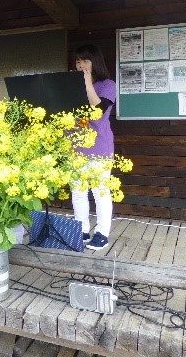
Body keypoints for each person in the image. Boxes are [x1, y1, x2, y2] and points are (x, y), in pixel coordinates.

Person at [71, 44, 117, 250]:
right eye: (78, 61)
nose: (81, 65)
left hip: (99, 147)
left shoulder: (108, 85)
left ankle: (102, 232)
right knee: (78, 192)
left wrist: (87, 83)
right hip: (75, 146)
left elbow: (98, 111)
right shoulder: (71, 85)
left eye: (85, 61)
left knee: (100, 192)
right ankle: (81, 229)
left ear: (95, 62)